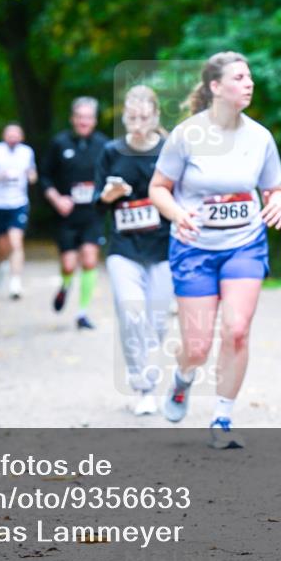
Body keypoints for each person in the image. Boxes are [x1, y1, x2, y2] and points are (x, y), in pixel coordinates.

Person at [149, 52, 281, 449]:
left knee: (238, 331)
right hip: (194, 249)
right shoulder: (186, 136)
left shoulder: (260, 137)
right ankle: (183, 378)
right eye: (240, 78)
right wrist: (177, 214)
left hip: (244, 243)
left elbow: (275, 187)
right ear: (215, 87)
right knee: (196, 347)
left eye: (250, 77)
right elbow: (157, 188)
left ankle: (223, 416)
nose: (249, 83)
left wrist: (278, 200)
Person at [94, 85, 172, 416]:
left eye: (144, 117)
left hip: (163, 248)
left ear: (155, 117)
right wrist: (110, 195)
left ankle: (145, 369)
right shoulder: (111, 151)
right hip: (123, 248)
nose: (137, 123)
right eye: (131, 117)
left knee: (156, 321)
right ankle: (144, 386)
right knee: (131, 313)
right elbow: (96, 205)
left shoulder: (169, 150)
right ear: (124, 118)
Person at [40, 97, 110, 330]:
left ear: (94, 120)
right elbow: (44, 177)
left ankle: (82, 313)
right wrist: (57, 199)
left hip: (92, 214)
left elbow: (113, 176)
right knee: (69, 265)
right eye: (80, 117)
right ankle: (65, 285)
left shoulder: (104, 145)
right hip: (66, 216)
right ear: (72, 119)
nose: (84, 121)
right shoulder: (59, 143)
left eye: (88, 117)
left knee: (90, 260)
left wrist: (106, 195)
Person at [0, 123, 38, 300]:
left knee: (16, 242)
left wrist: (31, 176)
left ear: (21, 137)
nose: (13, 138)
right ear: (4, 136)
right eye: (9, 135)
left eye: (16, 135)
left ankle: (15, 282)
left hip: (18, 203)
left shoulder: (27, 152)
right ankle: (2, 263)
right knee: (2, 245)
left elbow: (33, 173)